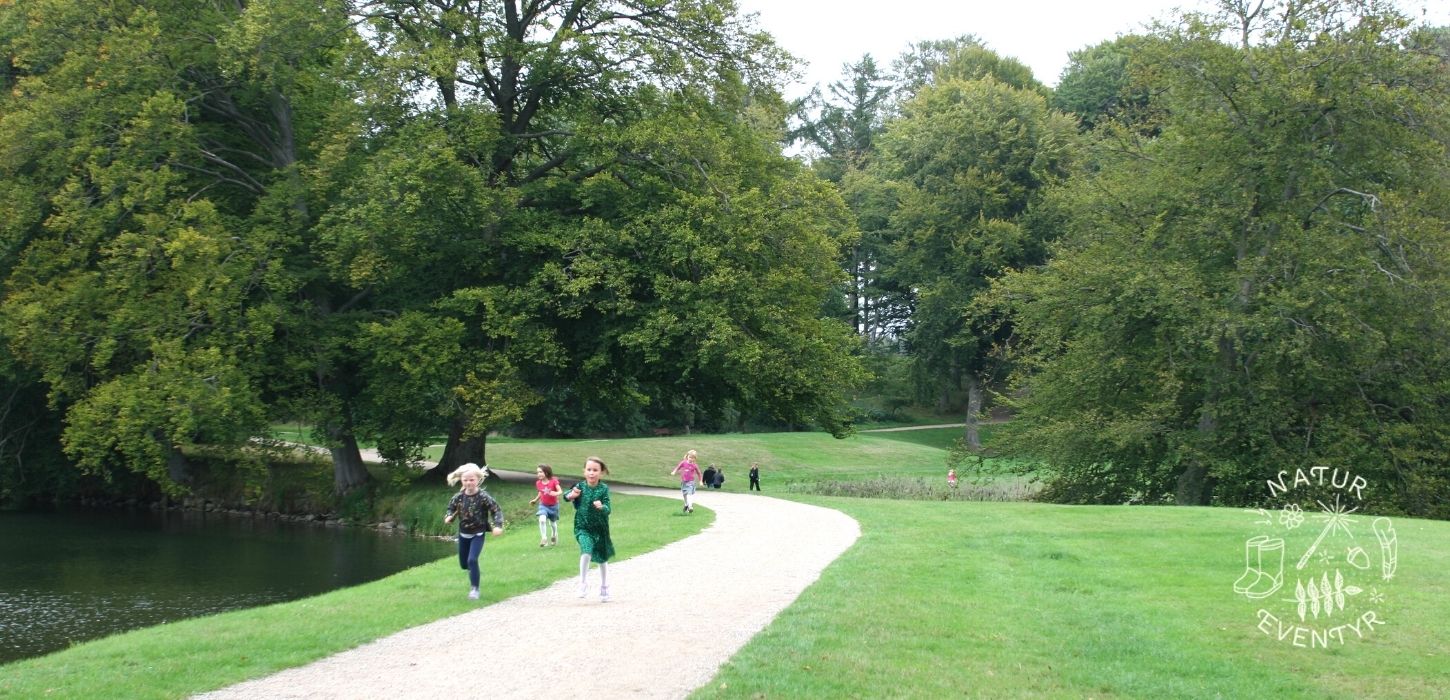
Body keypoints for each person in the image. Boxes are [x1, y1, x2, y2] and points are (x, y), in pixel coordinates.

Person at [443, 463, 504, 600]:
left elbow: (496, 510)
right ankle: (471, 572)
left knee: (472, 560)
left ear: (478, 479)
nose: (469, 482)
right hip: (463, 533)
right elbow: (450, 508)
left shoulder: (483, 496)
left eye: (472, 480)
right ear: (461, 480)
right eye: (465, 480)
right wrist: (448, 516)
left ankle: (474, 589)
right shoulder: (458, 497)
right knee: (464, 564)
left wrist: (498, 526)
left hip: (478, 533)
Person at [564, 456, 615, 601]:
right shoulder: (580, 486)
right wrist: (571, 495)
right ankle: (582, 583)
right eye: (589, 470)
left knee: (601, 559)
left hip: (600, 529)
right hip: (582, 527)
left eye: (595, 470)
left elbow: (608, 509)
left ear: (601, 472)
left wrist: (602, 506)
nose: (591, 473)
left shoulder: (604, 489)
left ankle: (605, 587)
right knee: (586, 551)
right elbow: (566, 496)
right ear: (584, 471)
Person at [529, 464, 563, 547]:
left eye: (541, 472)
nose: (539, 474)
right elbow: (541, 492)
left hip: (553, 506)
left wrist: (556, 493)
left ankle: (554, 534)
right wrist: (535, 500)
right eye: (537, 472)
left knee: (552, 524)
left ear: (547, 472)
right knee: (542, 520)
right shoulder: (538, 483)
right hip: (543, 505)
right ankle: (544, 538)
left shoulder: (553, 481)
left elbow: (560, 491)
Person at [670, 449, 701, 514]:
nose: (691, 459)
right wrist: (674, 472)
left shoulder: (695, 465)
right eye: (690, 457)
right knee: (684, 494)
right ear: (687, 456)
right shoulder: (683, 462)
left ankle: (690, 507)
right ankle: (686, 504)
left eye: (693, 458)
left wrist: (701, 481)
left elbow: (699, 473)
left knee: (689, 494)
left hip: (691, 482)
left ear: (695, 459)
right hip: (684, 482)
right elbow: (678, 467)